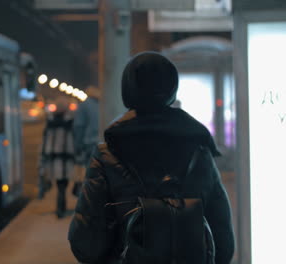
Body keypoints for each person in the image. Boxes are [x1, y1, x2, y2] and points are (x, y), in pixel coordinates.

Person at [68, 52, 234, 263]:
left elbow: (85, 244)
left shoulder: (107, 155)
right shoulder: (199, 152)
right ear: (172, 90)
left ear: (127, 90)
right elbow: (224, 242)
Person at [40, 97, 75, 218]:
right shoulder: (70, 121)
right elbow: (73, 140)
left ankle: (60, 208)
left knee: (59, 184)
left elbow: (45, 141)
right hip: (66, 157)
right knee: (63, 184)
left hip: (54, 158)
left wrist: (43, 156)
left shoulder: (50, 121)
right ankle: (61, 208)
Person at [72, 85, 100, 196]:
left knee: (89, 173)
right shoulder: (102, 104)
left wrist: (77, 145)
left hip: (89, 143)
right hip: (102, 142)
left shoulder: (84, 105)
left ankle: (89, 197)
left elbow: (79, 126)